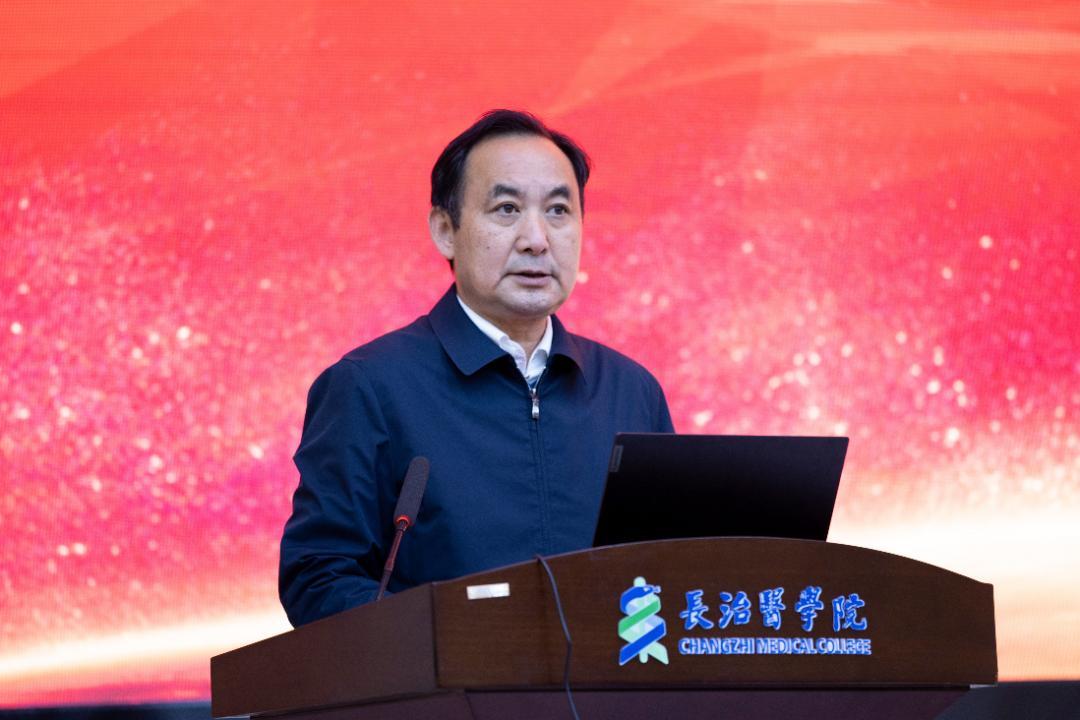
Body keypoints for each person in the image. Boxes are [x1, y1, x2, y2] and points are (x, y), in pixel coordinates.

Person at [279, 110, 674, 627]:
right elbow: (318, 578)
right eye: (507, 209)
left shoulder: (631, 391)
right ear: (446, 231)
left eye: (559, 211)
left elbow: (672, 570)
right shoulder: (370, 387)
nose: (537, 239)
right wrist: (453, 637)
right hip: (446, 679)